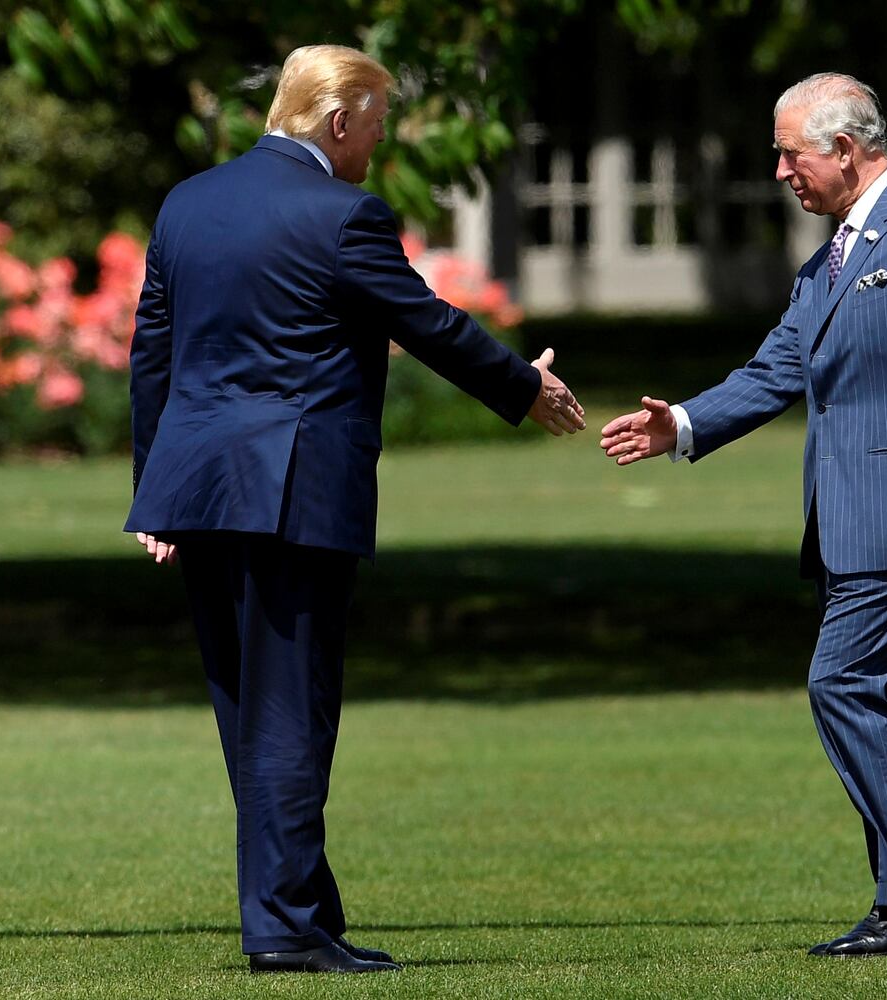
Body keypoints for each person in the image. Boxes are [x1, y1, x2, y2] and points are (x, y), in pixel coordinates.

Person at [125, 44, 585, 975]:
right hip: (293, 495)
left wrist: (153, 494)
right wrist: (523, 389)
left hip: (198, 493)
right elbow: (425, 321)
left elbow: (152, 353)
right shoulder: (345, 216)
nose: (377, 145)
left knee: (249, 715)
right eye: (375, 127)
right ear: (338, 122)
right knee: (292, 714)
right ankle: (287, 932)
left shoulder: (188, 202)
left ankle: (300, 913)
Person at [600, 72, 887, 957]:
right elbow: (770, 375)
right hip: (852, 529)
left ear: (845, 148)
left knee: (846, 685)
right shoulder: (825, 263)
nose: (782, 170)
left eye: (791, 153)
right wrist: (678, 423)